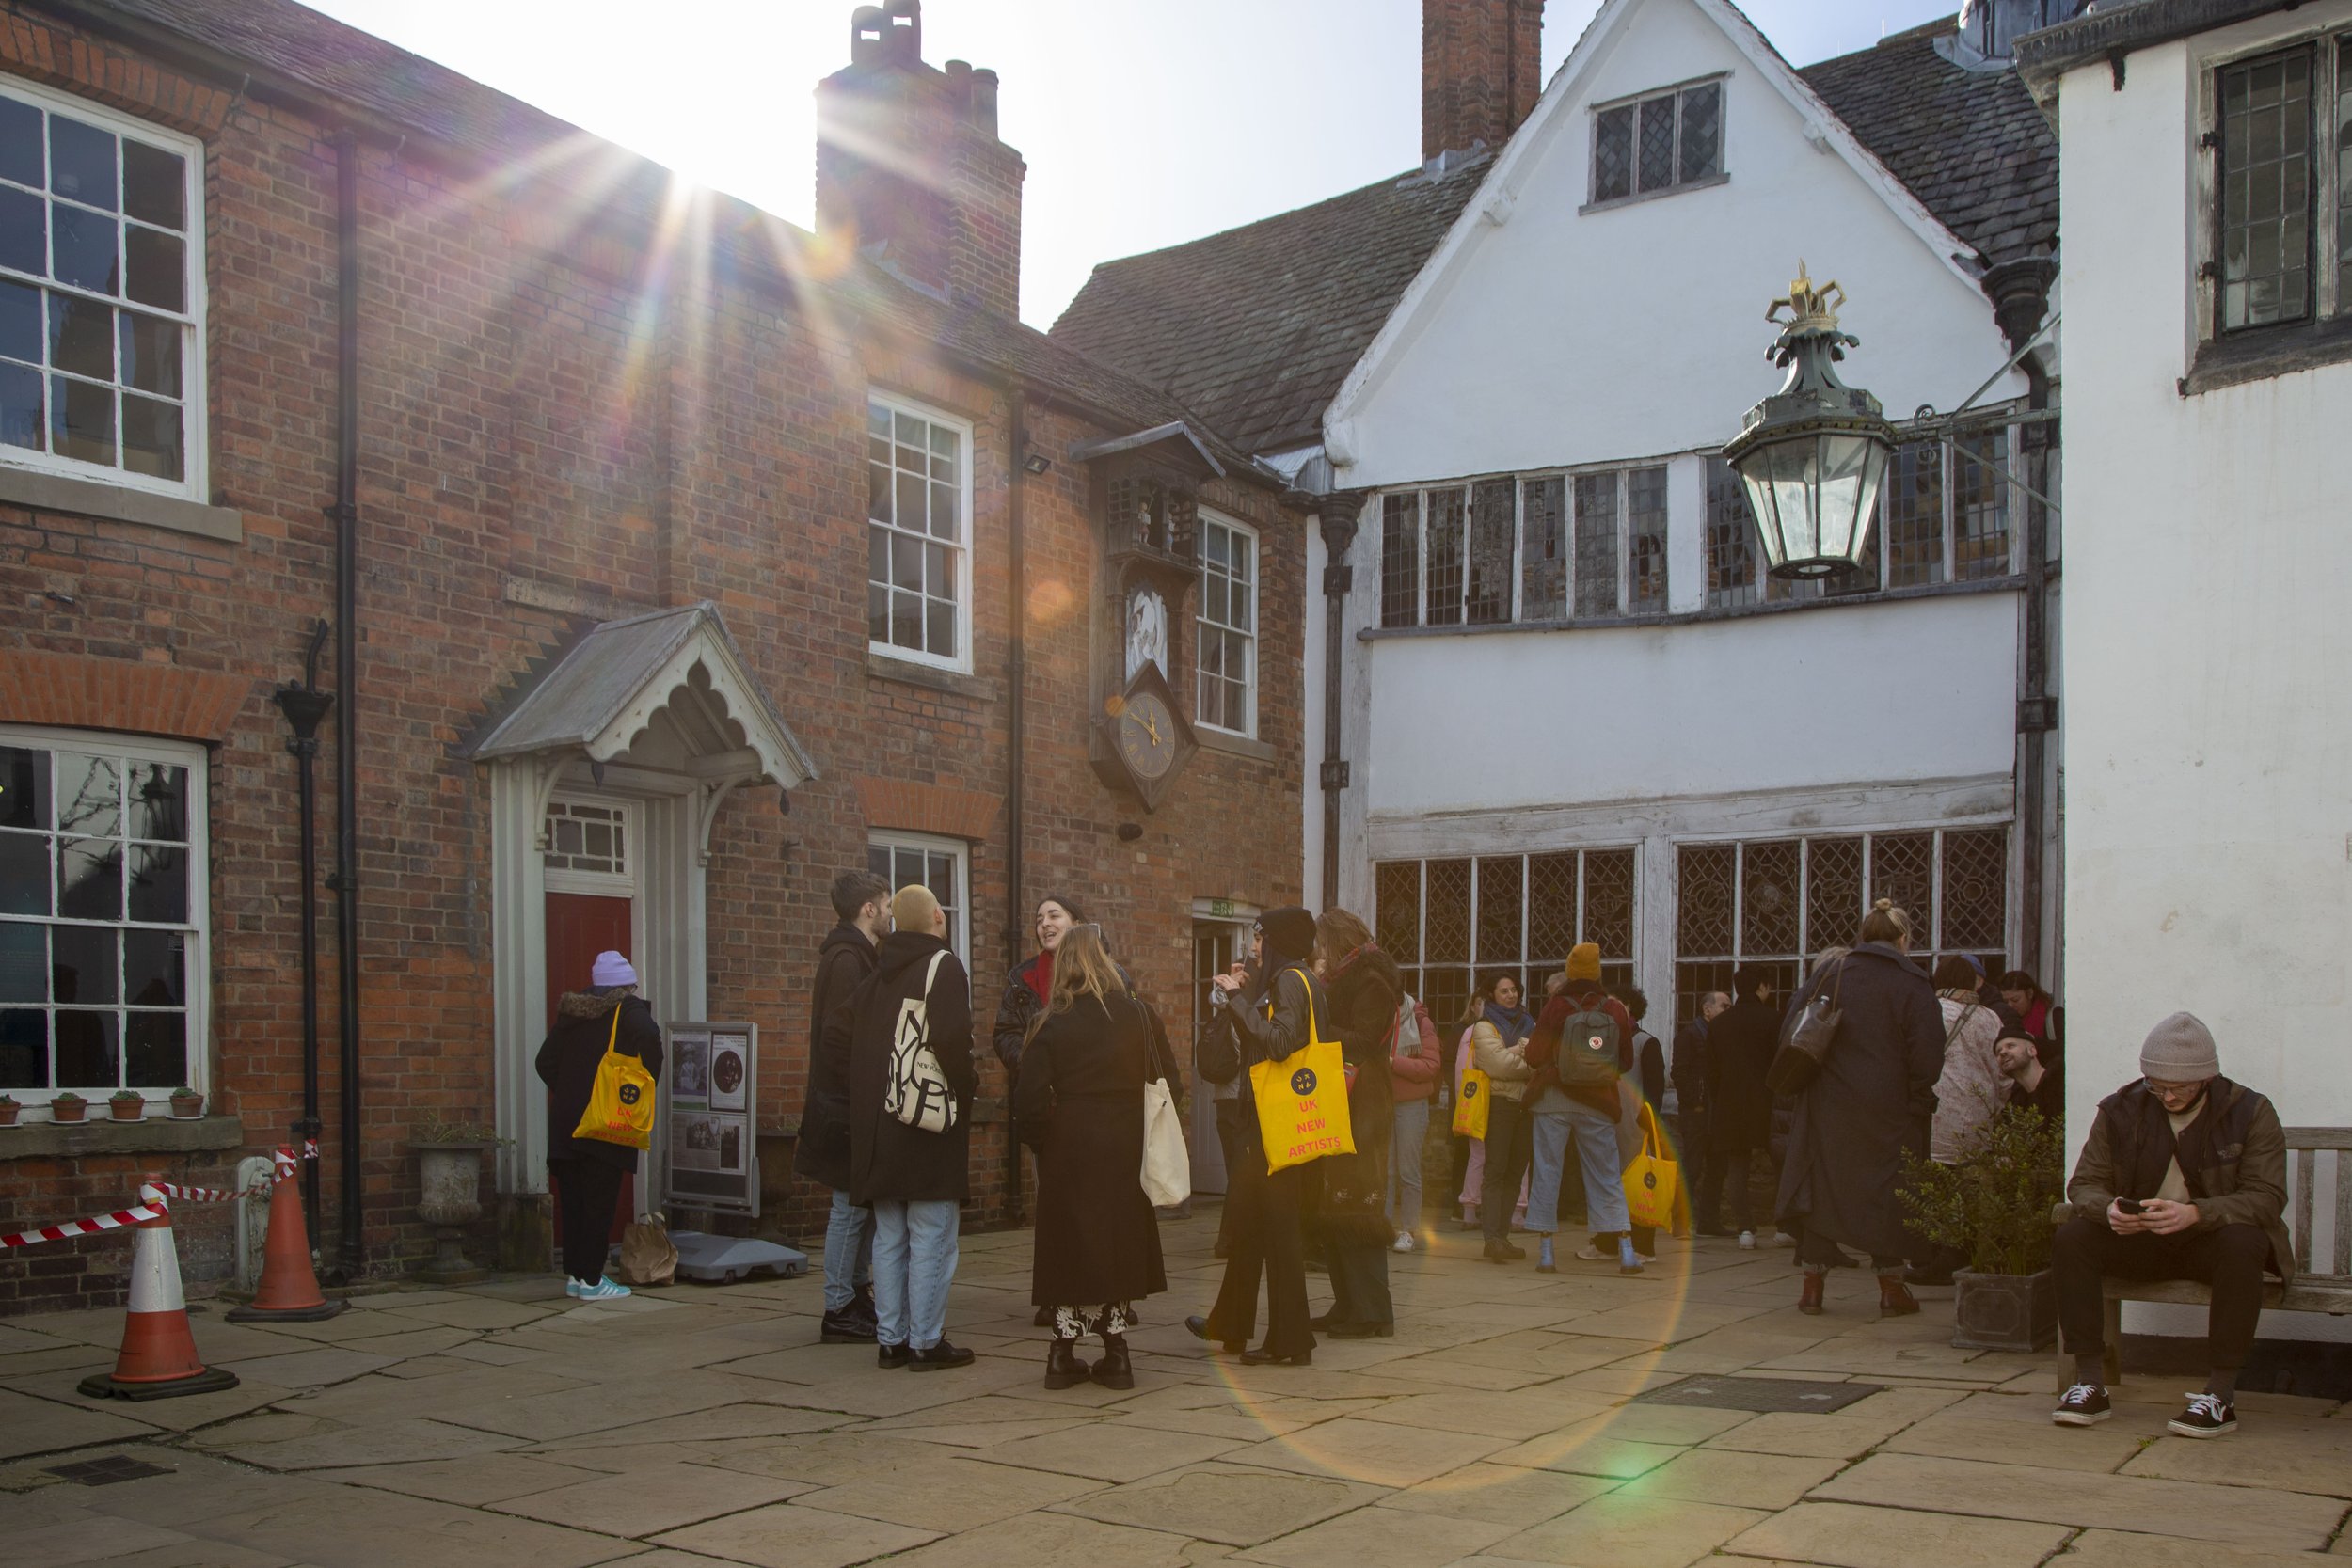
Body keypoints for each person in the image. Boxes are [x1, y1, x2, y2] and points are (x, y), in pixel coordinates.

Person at [2053, 1014, 2290, 1438]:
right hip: (2143, 1241)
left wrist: (2196, 1213)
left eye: (2178, 1087)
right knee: (2073, 1236)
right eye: (2156, 1085)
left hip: (2209, 1243)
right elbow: (2085, 1183)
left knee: (2244, 1242)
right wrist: (2109, 1210)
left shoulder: (2250, 1111)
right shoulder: (2120, 1108)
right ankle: (2088, 1383)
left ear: (2206, 1078)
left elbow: (2267, 1198)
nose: (2166, 1095)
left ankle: (2220, 1394)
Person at [1016, 924, 1170, 1392]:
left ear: (1064, 966)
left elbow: (1027, 1102)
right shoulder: (1140, 1017)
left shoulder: (1051, 1022)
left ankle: (1061, 1356)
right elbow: (1171, 1085)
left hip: (1070, 1145)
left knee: (1070, 1247)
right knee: (1117, 1243)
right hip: (1125, 1143)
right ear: (1107, 962)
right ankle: (1116, 1354)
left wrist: (1044, 1142)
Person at [1774, 900, 1943, 1318]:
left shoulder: (1832, 972)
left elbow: (1792, 1031)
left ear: (1863, 936)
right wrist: (1919, 1098)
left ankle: (1812, 1290)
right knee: (1888, 1194)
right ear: (1904, 939)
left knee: (1820, 1188)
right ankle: (1891, 1290)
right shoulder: (1912, 983)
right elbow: (1927, 1055)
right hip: (1888, 1106)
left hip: (1827, 1102)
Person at [837, 883, 977, 1370]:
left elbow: (841, 1034)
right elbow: (954, 1040)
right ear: (939, 916)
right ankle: (926, 1341)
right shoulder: (944, 966)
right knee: (932, 1237)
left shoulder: (877, 974)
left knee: (890, 1239)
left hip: (880, 1126)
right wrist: (968, 1087)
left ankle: (891, 1340)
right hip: (925, 1123)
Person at [1188, 907, 1328, 1366]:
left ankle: (1290, 1343)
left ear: (1279, 941)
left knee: (1281, 1232)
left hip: (1274, 1124)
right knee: (1248, 1222)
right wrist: (1247, 996)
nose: (1253, 947)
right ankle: (1229, 1325)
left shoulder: (1291, 979)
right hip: (1271, 1121)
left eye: (1259, 937)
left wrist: (1236, 1002)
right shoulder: (1300, 980)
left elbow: (1281, 1042)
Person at [535, 949, 665, 1302]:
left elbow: (544, 1061)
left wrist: (569, 1093)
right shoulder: (628, 1008)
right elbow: (651, 1042)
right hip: (605, 1122)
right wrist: (644, 1082)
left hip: (566, 1124)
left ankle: (577, 1276)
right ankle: (593, 1281)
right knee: (599, 1201)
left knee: (575, 1201)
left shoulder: (572, 1013)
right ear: (625, 986)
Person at [793, 868, 889, 1344]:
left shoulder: (854, 955)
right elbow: (839, 1036)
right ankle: (837, 1308)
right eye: (886, 904)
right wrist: (859, 1093)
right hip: (846, 1107)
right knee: (848, 1210)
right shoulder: (849, 959)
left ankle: (854, 1295)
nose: (890, 912)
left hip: (847, 1104)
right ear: (869, 909)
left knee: (860, 1208)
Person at [995, 894, 1086, 1325]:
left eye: (1054, 915)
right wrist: (1034, 1061)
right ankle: (1055, 1295)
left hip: (1091, 1108)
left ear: (1077, 923)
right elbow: (1004, 1034)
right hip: (1045, 1109)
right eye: (1038, 918)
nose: (1044, 923)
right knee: (1052, 1206)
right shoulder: (1021, 977)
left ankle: (1103, 1292)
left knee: (1094, 1202)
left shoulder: (1105, 973)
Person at [1523, 945, 1641, 1275]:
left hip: (1554, 1100)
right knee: (1606, 1175)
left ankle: (1547, 1252)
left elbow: (1534, 1055)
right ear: (1599, 971)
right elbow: (1626, 1060)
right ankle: (1626, 1250)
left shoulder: (1556, 1006)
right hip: (1599, 1102)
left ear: (1570, 971)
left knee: (1548, 1171)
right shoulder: (1615, 1009)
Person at [1309, 910, 1398, 1338]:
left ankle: (1373, 1313)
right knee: (1338, 1204)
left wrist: (1320, 1027)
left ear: (1338, 942)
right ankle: (1348, 1304)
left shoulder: (1371, 982)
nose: (1318, 951)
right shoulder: (1345, 980)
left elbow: (1363, 1041)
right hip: (1345, 1100)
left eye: (1322, 942)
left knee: (1360, 1205)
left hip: (1365, 1102)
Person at [1696, 965, 1780, 1247]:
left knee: (1737, 1168)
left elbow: (1710, 1071)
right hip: (1768, 1101)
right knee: (1782, 1162)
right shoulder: (1773, 1020)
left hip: (1730, 1104)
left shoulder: (1719, 1025)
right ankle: (1786, 1226)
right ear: (1762, 987)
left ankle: (1746, 1230)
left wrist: (1720, 1099)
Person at [1470, 971, 1538, 1263]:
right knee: (1495, 1170)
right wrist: (1526, 1053)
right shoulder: (1484, 1027)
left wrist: (1519, 1054)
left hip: (1526, 1105)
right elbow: (1497, 1065)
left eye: (1513, 990)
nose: (1511, 995)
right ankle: (1491, 1239)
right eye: (1504, 991)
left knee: (1515, 1172)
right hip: (1500, 1104)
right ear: (1492, 996)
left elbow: (1543, 1059)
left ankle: (1503, 1235)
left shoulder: (1529, 1022)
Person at [1387, 983, 1440, 1252]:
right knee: (1384, 1171)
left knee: (1408, 1170)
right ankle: (1383, 1228)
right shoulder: (1377, 1018)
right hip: (1382, 1102)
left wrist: (1394, 1062)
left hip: (1411, 1104)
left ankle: (1408, 1229)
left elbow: (1431, 1066)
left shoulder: (1420, 1020)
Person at [1671, 990, 1728, 1184]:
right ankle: (1683, 1213)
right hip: (1697, 1114)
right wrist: (1695, 1103)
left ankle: (1707, 1214)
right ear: (1707, 1009)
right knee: (1692, 1167)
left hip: (1716, 1113)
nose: (1728, 1011)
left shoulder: (1719, 1036)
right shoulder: (1689, 1035)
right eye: (1724, 1006)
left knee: (1717, 1168)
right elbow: (1679, 1073)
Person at [1998, 1027, 2062, 1118]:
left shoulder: (2061, 1080)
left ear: (2032, 1051)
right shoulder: (2015, 1108)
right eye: (1998, 1051)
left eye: (2011, 1046)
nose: (2002, 1052)